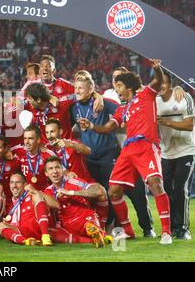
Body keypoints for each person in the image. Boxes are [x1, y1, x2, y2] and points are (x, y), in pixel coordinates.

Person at [79, 59, 173, 244]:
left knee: (155, 184)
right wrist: (91, 125)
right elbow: (107, 128)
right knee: (113, 191)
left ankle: (166, 232)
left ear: (128, 86)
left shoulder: (146, 94)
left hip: (146, 146)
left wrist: (157, 68)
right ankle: (127, 230)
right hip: (128, 150)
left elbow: (158, 80)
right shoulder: (122, 109)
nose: (117, 89)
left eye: (119, 85)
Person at [72, 74, 155, 237]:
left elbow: (122, 109)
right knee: (98, 196)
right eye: (76, 88)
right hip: (88, 159)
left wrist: (98, 97)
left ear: (91, 89)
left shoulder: (107, 103)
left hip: (112, 155)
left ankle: (144, 228)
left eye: (81, 88)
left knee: (129, 192)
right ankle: (105, 228)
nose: (77, 91)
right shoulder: (72, 106)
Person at [157, 71, 195, 240]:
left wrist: (167, 122)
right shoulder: (154, 101)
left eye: (163, 83)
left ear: (170, 84)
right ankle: (172, 227)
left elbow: (189, 125)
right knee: (167, 190)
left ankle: (183, 228)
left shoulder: (183, 97)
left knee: (180, 188)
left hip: (186, 150)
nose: (160, 87)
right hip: (166, 152)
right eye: (158, 84)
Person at [42, 157, 112, 247]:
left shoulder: (74, 182)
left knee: (89, 224)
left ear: (62, 170)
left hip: (85, 218)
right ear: (46, 174)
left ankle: (96, 231)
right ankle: (98, 236)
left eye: (57, 167)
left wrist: (71, 192)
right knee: (51, 233)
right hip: (66, 225)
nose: (55, 171)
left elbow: (98, 191)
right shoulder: (47, 191)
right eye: (50, 169)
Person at [0, 173, 57, 246]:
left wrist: (35, 191)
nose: (14, 185)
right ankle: (26, 241)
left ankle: (45, 236)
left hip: (38, 230)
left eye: (17, 182)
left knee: (37, 196)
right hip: (25, 232)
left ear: (25, 185)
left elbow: (56, 205)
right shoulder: (10, 203)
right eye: (12, 182)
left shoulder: (33, 194)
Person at [44, 118, 94, 183]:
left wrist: (71, 145)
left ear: (60, 131)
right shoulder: (47, 150)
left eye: (52, 132)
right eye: (47, 132)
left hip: (83, 183)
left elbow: (88, 151)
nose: (49, 136)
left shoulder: (70, 142)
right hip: (64, 187)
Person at [11, 126, 56, 191]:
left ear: (38, 140)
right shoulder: (18, 151)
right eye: (25, 138)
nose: (27, 142)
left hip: (44, 194)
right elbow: (1, 150)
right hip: (25, 195)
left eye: (30, 138)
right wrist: (7, 153)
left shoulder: (48, 155)